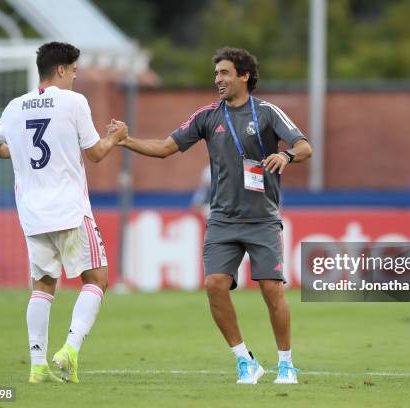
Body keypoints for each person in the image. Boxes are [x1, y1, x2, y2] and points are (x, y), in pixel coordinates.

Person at [119, 47, 312, 384]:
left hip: (262, 218)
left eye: (224, 73)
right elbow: (166, 148)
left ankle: (286, 363)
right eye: (216, 74)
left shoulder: (267, 112)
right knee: (214, 285)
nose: (218, 79)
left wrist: (288, 155)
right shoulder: (208, 116)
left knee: (271, 290)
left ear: (244, 76)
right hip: (222, 219)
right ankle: (245, 360)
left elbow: (304, 145)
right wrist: (125, 141)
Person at [0, 42, 128, 383]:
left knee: (43, 286)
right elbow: (95, 154)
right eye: (74, 70)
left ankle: (37, 366)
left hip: (33, 215)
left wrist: (18, 153)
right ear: (61, 70)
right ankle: (70, 350)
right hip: (70, 211)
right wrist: (117, 137)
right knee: (97, 280)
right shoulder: (74, 102)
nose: (77, 75)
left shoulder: (15, 106)